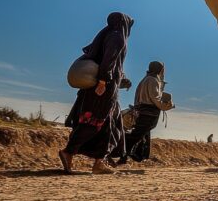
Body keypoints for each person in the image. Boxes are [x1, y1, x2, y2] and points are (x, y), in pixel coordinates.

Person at [60, 13, 134, 175]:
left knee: (110, 126)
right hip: (103, 90)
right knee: (94, 122)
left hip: (106, 88)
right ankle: (68, 152)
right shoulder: (117, 38)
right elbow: (109, 61)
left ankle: (99, 162)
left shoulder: (106, 35)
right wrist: (102, 82)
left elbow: (110, 64)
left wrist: (121, 80)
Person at [115, 61, 174, 165]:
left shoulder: (145, 79)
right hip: (149, 114)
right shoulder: (153, 80)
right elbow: (155, 98)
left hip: (142, 111)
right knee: (136, 136)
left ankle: (127, 157)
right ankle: (115, 152)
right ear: (159, 70)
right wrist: (167, 106)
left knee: (141, 136)